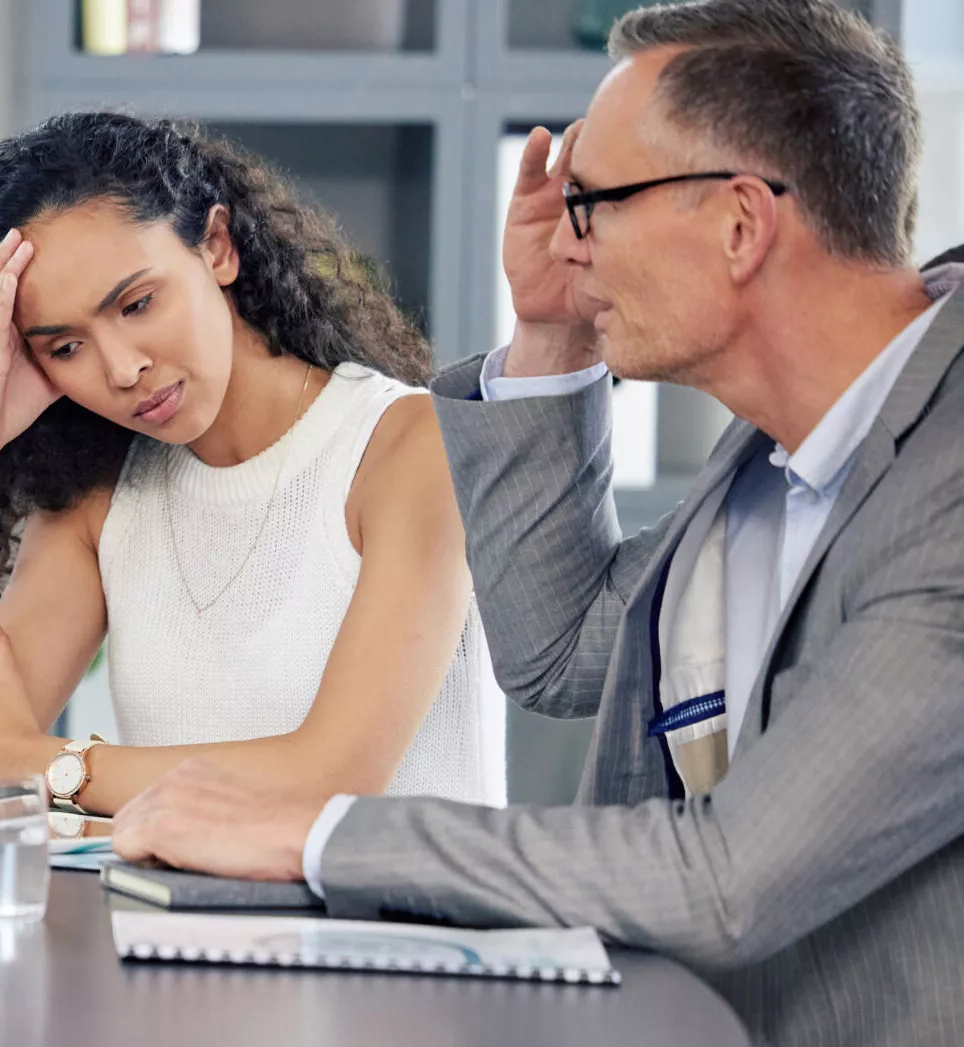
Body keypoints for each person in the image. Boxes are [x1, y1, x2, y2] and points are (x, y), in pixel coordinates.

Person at [108, 3, 964, 1044]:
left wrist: (315, 835)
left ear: (740, 224)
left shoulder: (943, 487)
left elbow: (726, 879)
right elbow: (558, 653)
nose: (567, 241)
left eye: (593, 204)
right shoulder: (779, 457)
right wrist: (554, 335)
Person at [0, 111, 503, 815]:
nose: (121, 368)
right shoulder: (102, 497)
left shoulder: (409, 445)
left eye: (138, 303)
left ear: (216, 246)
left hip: (402, 925)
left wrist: (41, 763)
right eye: (64, 348)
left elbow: (330, 779)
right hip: (174, 927)